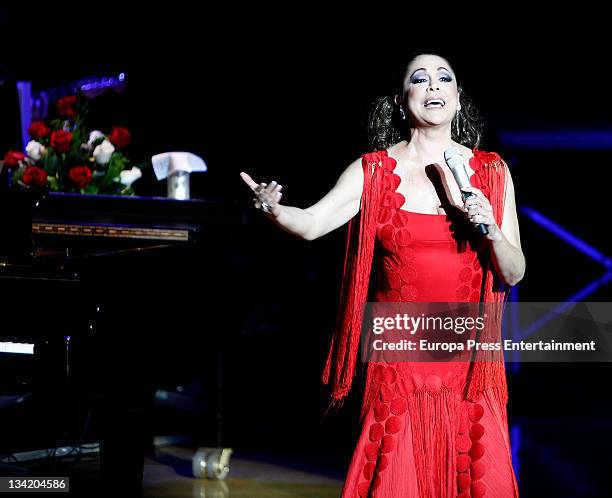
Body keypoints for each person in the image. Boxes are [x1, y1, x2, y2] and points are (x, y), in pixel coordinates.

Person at [240, 53, 525, 498]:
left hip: (470, 366)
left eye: (444, 78)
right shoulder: (373, 172)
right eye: (420, 78)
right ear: (401, 99)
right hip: (400, 364)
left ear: (457, 98)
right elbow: (312, 223)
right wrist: (273, 208)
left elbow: (514, 270)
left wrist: (489, 227)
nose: (433, 85)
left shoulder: (490, 171)